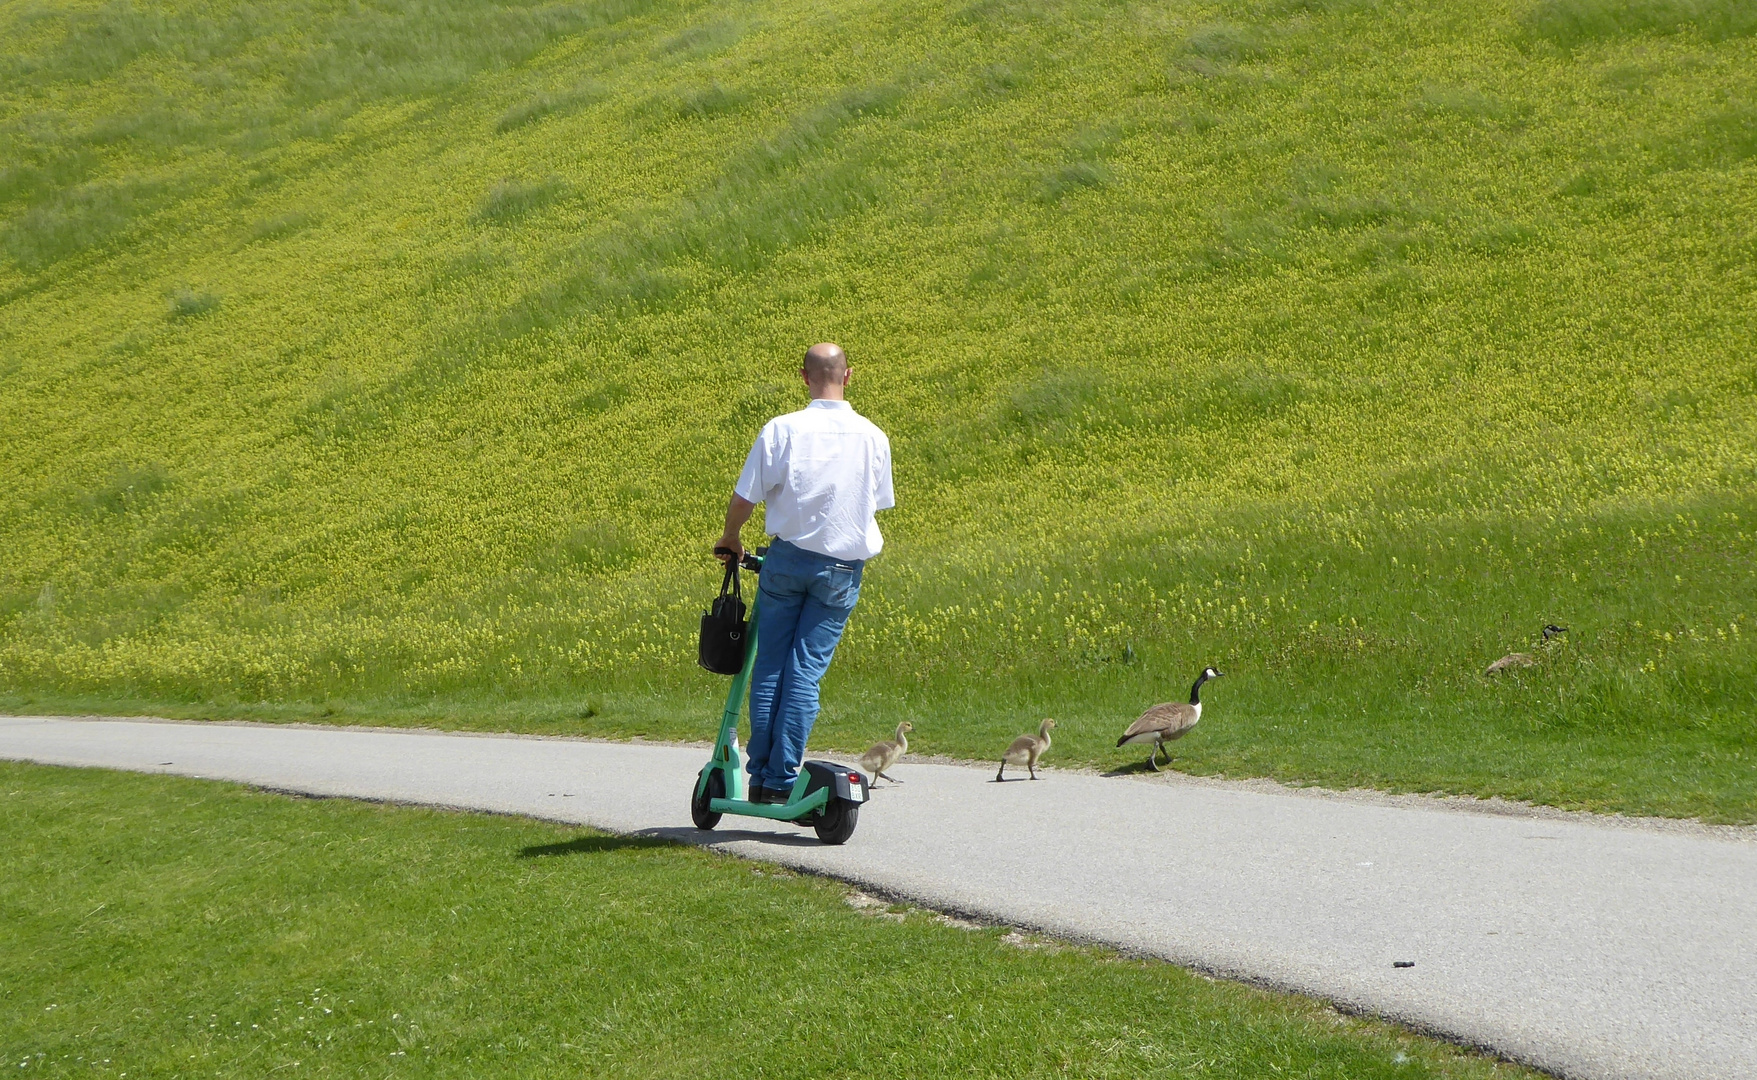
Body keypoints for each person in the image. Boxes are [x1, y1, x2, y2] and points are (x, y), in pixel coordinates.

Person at [715, 342, 894, 804]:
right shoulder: (873, 436)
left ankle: (761, 779)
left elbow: (745, 496)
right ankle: (782, 777)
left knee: (770, 664)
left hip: (787, 560)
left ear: (804, 377)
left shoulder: (783, 429)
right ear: (848, 376)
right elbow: (874, 502)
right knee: (805, 673)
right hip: (841, 570)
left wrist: (731, 537)